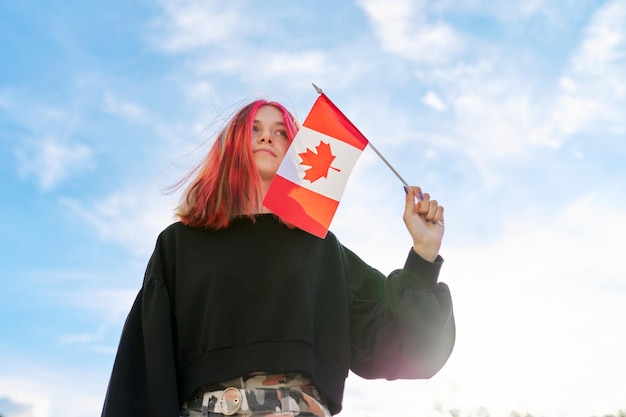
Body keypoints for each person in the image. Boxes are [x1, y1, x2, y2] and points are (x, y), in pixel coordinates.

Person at [101, 99, 455, 417]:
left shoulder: (322, 249)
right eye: (254, 129)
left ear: (296, 153)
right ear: (231, 147)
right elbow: (143, 370)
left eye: (280, 132)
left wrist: (424, 256)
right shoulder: (179, 244)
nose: (266, 137)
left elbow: (398, 346)